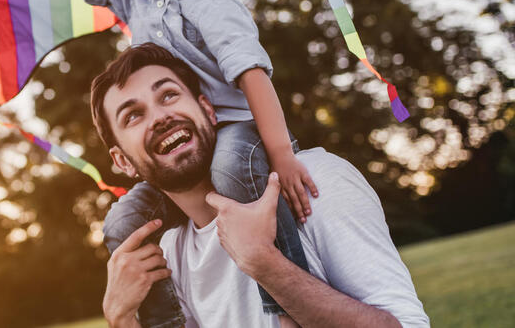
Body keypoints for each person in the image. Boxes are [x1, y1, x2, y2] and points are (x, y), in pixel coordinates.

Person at [0, 0, 314, 326]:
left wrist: (281, 154)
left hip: (239, 133)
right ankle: (166, 322)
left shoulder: (212, 1)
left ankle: (287, 307)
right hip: (181, 145)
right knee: (122, 223)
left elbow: (253, 75)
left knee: (230, 167)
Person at [91, 43, 430, 327]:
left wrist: (266, 263)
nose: (159, 117)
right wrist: (120, 319)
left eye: (168, 95)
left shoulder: (313, 180)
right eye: (133, 116)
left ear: (208, 110)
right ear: (122, 161)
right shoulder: (169, 258)